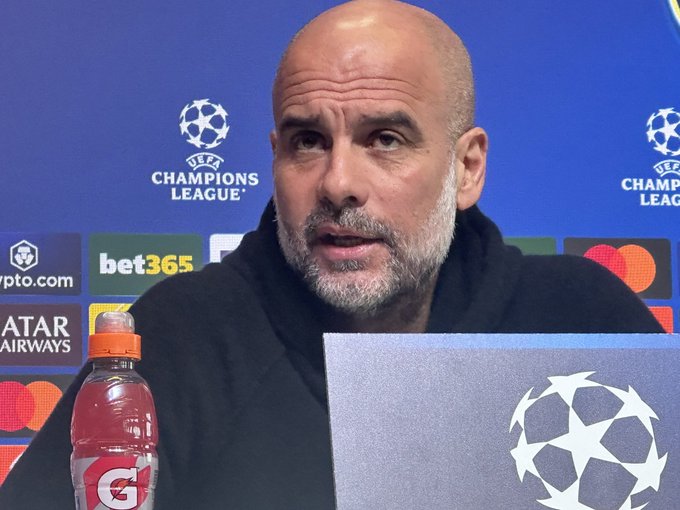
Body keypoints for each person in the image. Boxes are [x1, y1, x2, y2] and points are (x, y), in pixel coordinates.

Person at [0, 1, 663, 508]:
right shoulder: (178, 338)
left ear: (466, 168)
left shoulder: (582, 319)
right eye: (308, 142)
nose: (338, 182)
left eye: (385, 139)